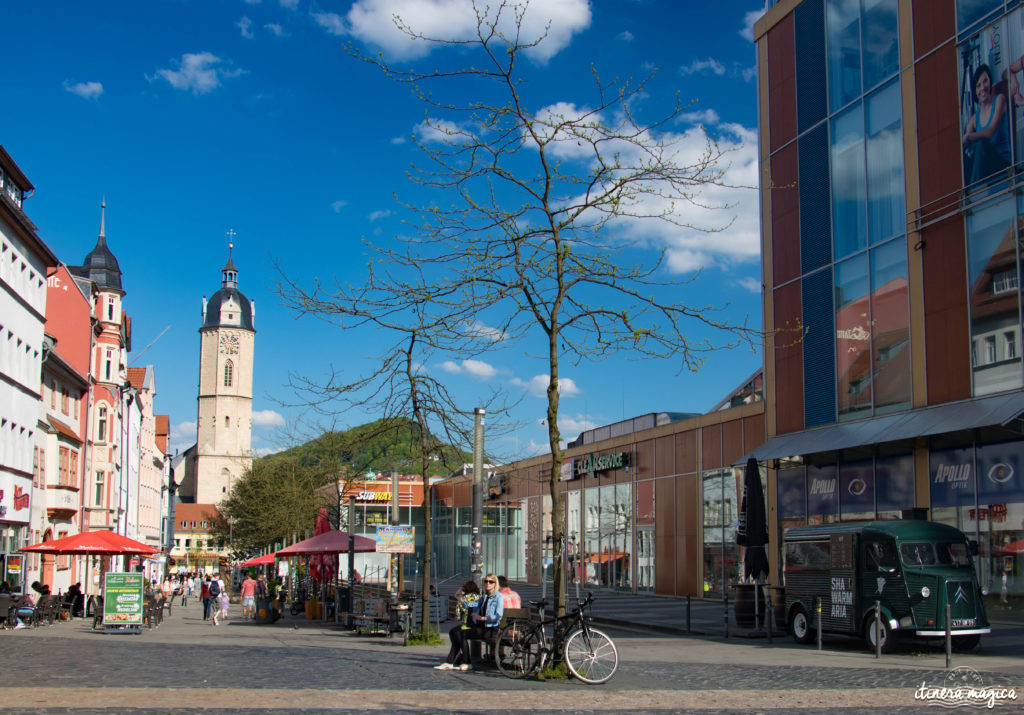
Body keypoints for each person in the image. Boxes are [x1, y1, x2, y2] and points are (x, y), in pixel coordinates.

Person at [963, 63, 1011, 184]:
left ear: (990, 82)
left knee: (982, 144)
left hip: (1003, 165)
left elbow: (990, 132)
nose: (982, 88)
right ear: (975, 91)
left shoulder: (999, 100)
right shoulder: (974, 119)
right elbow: (964, 142)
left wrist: (969, 136)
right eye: (978, 85)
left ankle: (975, 194)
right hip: (987, 169)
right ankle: (967, 193)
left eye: (985, 81)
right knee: (964, 159)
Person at [435, 580, 480, 671]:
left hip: (467, 625)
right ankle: (453, 660)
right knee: (455, 632)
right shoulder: (479, 597)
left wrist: (458, 593)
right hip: (476, 624)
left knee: (457, 633)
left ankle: (464, 660)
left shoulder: (463, 598)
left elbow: (457, 616)